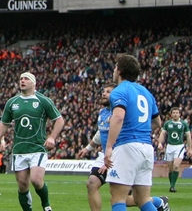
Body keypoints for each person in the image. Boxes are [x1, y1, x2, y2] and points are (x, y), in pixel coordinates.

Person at [77, 83, 169, 211]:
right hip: (107, 154)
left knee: (125, 200)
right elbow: (101, 132)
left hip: (121, 153)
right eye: (103, 91)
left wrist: (112, 154)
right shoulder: (103, 112)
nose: (104, 94)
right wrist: (88, 148)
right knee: (92, 183)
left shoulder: (123, 111)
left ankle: (158, 201)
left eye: (108, 92)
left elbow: (127, 128)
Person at [0, 72, 65, 211]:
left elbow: (59, 120)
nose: (22, 81)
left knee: (36, 180)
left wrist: (51, 137)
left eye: (26, 79)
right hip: (19, 149)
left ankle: (46, 206)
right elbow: (4, 122)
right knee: (22, 185)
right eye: (21, 79)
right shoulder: (12, 102)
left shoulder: (43, 100)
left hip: (37, 147)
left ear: (33, 83)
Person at [104, 54, 162, 211]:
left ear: (120, 71)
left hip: (127, 146)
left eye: (116, 67)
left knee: (117, 198)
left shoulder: (119, 91)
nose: (114, 70)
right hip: (146, 148)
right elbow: (157, 123)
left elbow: (118, 118)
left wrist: (109, 147)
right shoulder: (146, 92)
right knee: (142, 200)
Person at [157, 107, 191, 193]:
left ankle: (172, 186)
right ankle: (172, 184)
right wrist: (160, 143)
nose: (175, 114)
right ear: (171, 114)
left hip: (179, 146)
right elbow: (162, 133)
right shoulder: (167, 123)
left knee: (176, 166)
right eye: (174, 113)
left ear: (179, 114)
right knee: (170, 168)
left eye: (177, 112)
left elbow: (188, 136)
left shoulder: (183, 124)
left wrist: (190, 148)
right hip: (169, 146)